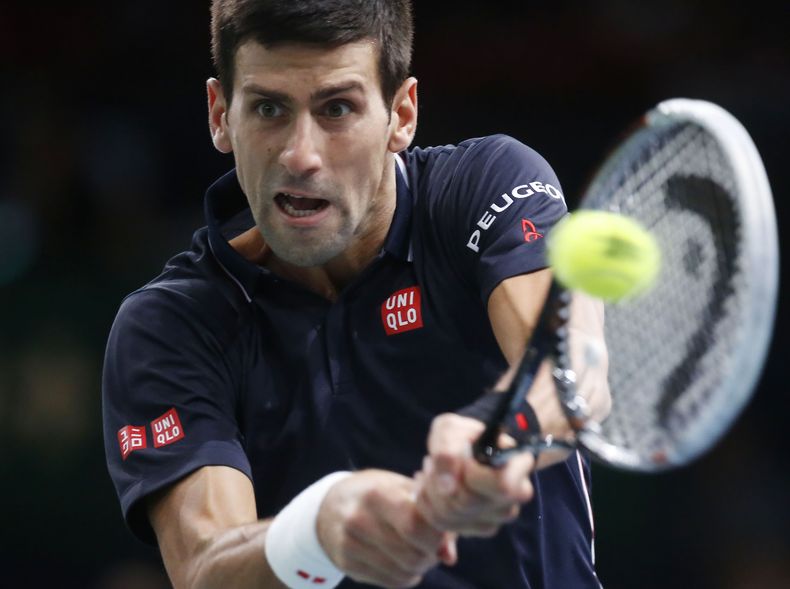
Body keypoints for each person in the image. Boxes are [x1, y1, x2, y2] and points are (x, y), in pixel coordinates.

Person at [102, 1, 610, 587]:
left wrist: (501, 434)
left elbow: (573, 363)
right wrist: (318, 530)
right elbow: (204, 567)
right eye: (269, 108)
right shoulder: (171, 323)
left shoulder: (486, 187)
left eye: (337, 108)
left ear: (401, 114)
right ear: (221, 115)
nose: (301, 155)